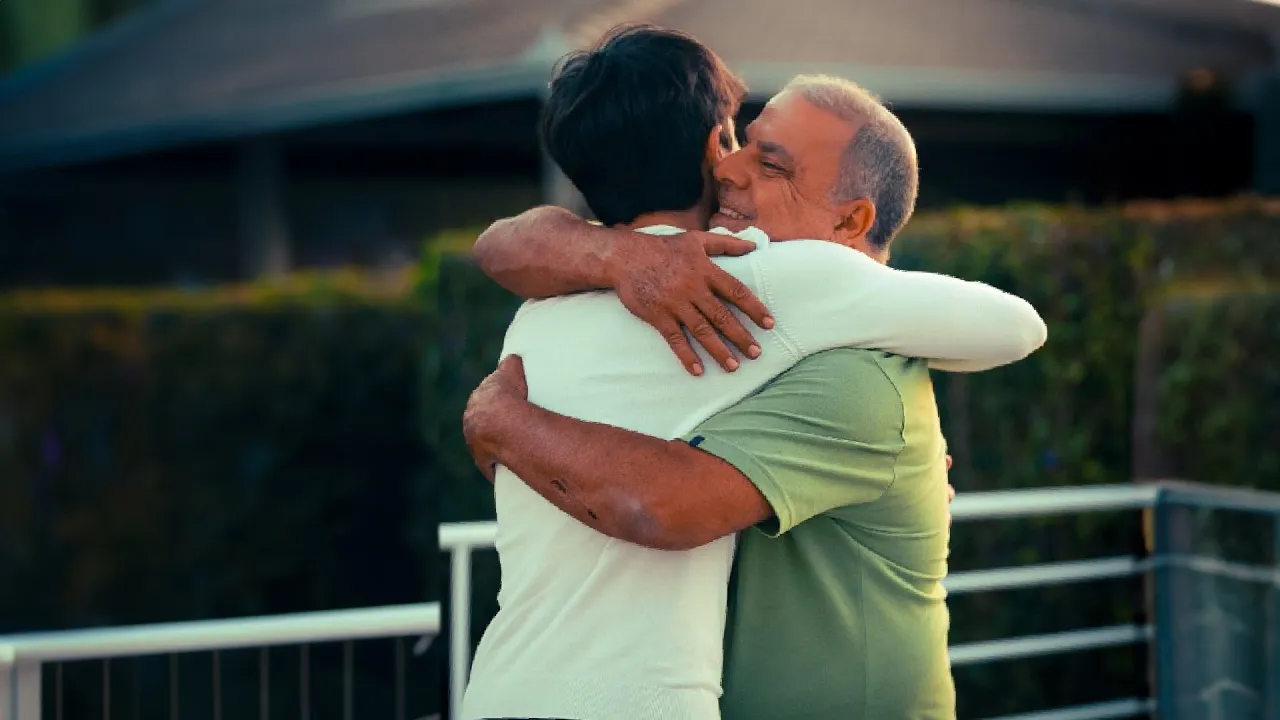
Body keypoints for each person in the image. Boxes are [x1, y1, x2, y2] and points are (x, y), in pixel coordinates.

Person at [460, 24, 1047, 720]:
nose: (735, 170)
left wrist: (504, 420)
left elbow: (499, 247)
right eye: (740, 141)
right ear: (712, 145)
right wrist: (623, 260)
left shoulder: (534, 315)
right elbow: (1018, 325)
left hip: (494, 689)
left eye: (769, 164)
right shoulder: (746, 283)